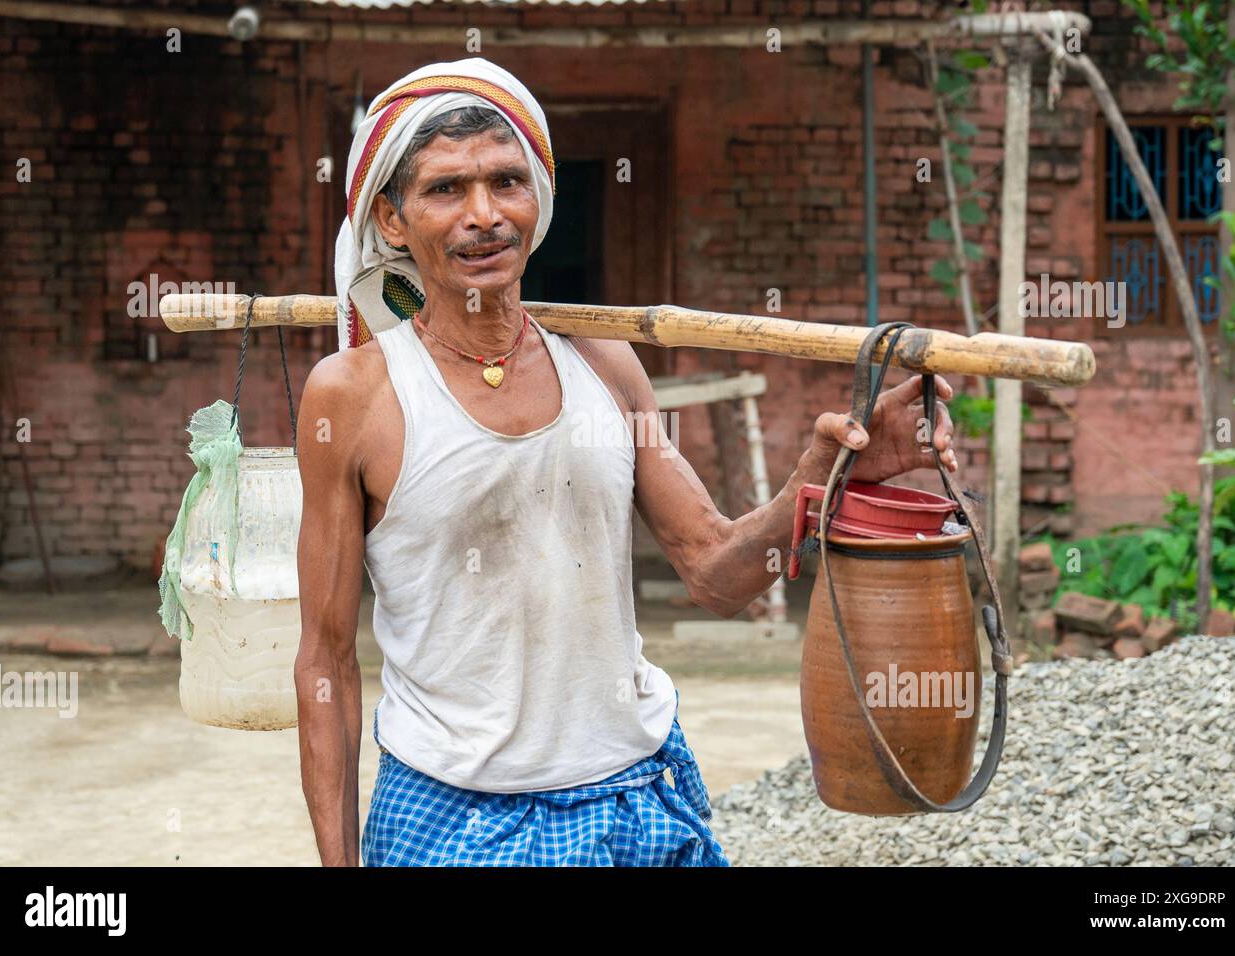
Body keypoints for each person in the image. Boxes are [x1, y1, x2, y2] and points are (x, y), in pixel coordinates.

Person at [294, 57, 958, 867]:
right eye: (445, 190)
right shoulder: (355, 394)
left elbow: (717, 572)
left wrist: (829, 470)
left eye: (507, 182)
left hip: (637, 797)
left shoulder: (601, 365)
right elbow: (325, 657)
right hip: (454, 812)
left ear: (537, 201)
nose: (484, 216)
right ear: (391, 222)